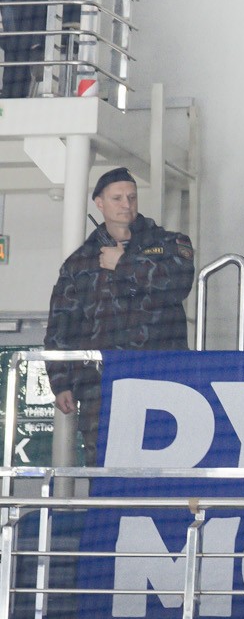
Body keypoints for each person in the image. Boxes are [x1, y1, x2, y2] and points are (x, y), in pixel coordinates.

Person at [45, 168, 195, 430]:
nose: (126, 204)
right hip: (100, 384)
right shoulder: (80, 261)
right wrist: (60, 383)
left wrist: (124, 264)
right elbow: (62, 325)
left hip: (162, 376)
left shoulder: (169, 243)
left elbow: (179, 284)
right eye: (117, 198)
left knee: (161, 448)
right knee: (101, 453)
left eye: (132, 197)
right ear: (99, 203)